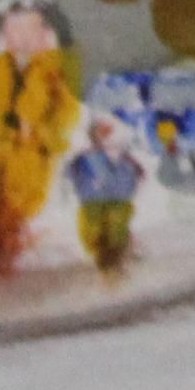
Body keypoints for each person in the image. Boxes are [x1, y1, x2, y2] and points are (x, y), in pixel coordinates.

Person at [0, 0, 85, 277]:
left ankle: (11, 259)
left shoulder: (55, 69)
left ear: (45, 32)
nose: (22, 36)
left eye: (30, 28)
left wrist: (43, 138)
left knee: (18, 217)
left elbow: (67, 113)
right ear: (3, 32)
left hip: (31, 159)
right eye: (14, 28)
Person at [68, 111, 147, 278]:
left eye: (108, 131)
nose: (105, 136)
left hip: (116, 198)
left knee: (115, 230)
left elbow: (139, 172)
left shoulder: (122, 156)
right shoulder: (85, 157)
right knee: (96, 232)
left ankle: (116, 261)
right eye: (102, 131)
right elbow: (71, 173)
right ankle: (112, 260)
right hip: (93, 200)